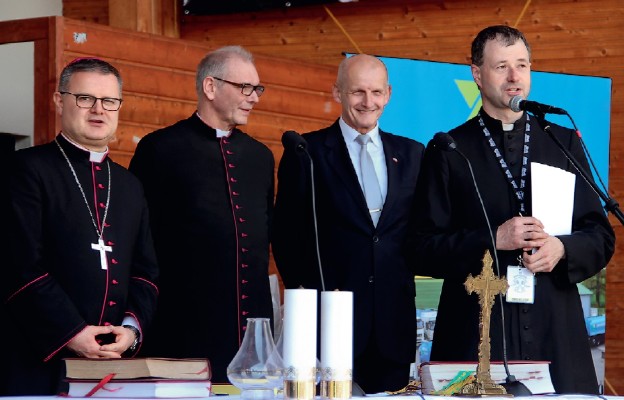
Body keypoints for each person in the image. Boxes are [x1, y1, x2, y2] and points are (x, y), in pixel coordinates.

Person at [406, 25, 615, 394]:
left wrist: (562, 248)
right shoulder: (449, 149)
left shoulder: (562, 142)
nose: (515, 76)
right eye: (501, 66)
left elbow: (599, 236)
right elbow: (421, 249)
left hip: (554, 329)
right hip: (477, 332)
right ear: (477, 74)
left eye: (522, 65)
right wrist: (493, 240)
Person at [0, 58, 159, 396]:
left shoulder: (130, 185)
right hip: (34, 362)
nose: (98, 110)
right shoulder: (25, 170)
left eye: (109, 101)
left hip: (111, 367)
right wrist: (72, 332)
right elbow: (18, 266)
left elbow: (146, 273)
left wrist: (130, 331)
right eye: (85, 98)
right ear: (60, 101)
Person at [272, 54, 424, 393]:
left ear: (388, 93)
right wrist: (310, 303)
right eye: (357, 92)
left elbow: (417, 234)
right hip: (327, 326)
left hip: (392, 326)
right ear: (337, 92)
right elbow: (286, 237)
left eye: (376, 92)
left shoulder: (414, 154)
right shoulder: (305, 151)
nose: (367, 102)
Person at [129, 45, 274, 383]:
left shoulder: (260, 157)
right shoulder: (160, 149)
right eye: (244, 88)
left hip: (249, 334)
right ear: (210, 87)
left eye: (258, 89)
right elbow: (138, 240)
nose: (254, 98)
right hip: (182, 327)